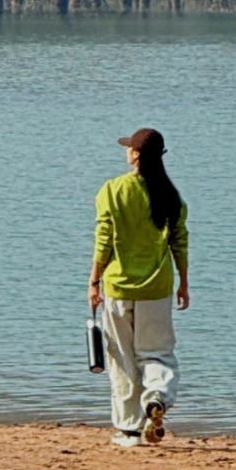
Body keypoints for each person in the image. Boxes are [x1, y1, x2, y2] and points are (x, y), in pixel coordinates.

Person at [89, 127, 189, 448]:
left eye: (128, 148)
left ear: (134, 155)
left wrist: (94, 280)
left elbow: (104, 238)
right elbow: (179, 241)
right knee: (157, 354)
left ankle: (129, 429)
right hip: (157, 289)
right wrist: (184, 281)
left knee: (122, 358)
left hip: (118, 287)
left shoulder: (113, 190)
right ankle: (156, 397)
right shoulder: (171, 196)